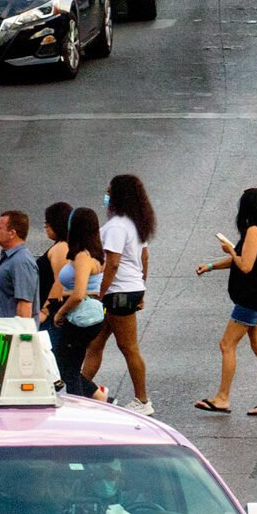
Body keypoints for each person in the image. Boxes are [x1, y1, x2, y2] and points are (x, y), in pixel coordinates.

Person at [193, 188, 257, 417]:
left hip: (249, 299)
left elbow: (244, 265)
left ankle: (222, 397)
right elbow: (243, 259)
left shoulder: (253, 231)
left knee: (227, 344)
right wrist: (211, 266)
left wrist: (230, 249)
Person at [84, 173, 156, 415]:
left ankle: (142, 400)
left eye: (109, 191)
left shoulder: (116, 226)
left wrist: (99, 293)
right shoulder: (136, 224)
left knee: (128, 346)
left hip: (117, 293)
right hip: (130, 289)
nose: (106, 195)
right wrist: (141, 288)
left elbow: (112, 263)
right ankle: (79, 389)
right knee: (95, 343)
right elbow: (144, 258)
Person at [49, 207, 108, 401]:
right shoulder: (95, 253)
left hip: (78, 316)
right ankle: (99, 397)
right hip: (88, 316)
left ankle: (81, 406)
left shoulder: (83, 256)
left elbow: (78, 294)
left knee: (67, 369)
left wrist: (60, 313)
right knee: (70, 366)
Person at [0, 211, 38, 320]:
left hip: (8, 329)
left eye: (0, 228)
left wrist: (20, 330)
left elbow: (25, 307)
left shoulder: (21, 261)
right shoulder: (10, 258)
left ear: (12, 233)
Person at [36, 201, 71, 330]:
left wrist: (45, 310)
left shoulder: (61, 247)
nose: (45, 226)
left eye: (48, 222)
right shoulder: (63, 245)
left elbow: (60, 282)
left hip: (49, 315)